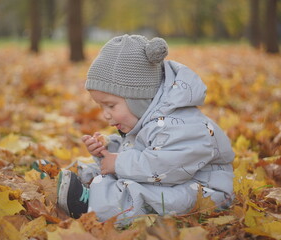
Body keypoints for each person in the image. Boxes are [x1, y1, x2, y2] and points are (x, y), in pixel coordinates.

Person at [57, 34, 235, 221]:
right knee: (116, 173)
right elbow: (140, 149)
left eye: (110, 105)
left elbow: (163, 165)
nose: (105, 114)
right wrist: (107, 150)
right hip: (165, 177)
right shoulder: (150, 118)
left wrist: (117, 162)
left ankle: (91, 205)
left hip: (203, 190)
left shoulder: (183, 125)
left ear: (139, 100)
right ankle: (73, 179)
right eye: (101, 106)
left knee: (151, 197)